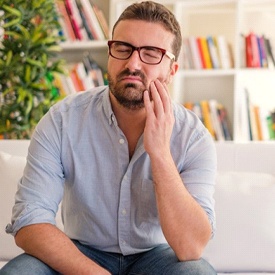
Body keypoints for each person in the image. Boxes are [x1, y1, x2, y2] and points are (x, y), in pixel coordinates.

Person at [0, 1, 217, 274]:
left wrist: (160, 151)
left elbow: (190, 248)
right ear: (110, 54)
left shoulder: (194, 138)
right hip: (80, 252)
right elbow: (29, 221)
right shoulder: (62, 121)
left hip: (156, 257)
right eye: (123, 49)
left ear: (172, 71)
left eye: (151, 53)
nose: (133, 63)